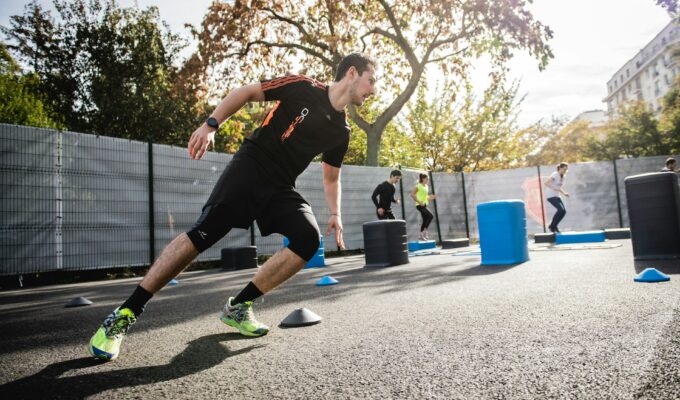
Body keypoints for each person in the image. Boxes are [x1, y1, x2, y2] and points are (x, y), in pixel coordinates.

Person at [88, 53, 377, 361]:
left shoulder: (341, 132)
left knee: (308, 239)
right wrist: (211, 125)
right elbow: (248, 91)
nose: (373, 90)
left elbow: (332, 179)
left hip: (280, 186)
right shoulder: (303, 87)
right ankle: (124, 314)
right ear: (351, 73)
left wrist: (335, 214)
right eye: (371, 81)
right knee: (203, 234)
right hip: (251, 166)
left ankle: (238, 307)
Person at [543, 162, 570, 233]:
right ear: (560, 168)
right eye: (564, 169)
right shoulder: (555, 174)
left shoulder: (562, 176)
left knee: (563, 211)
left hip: (556, 195)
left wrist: (564, 193)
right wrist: (554, 188)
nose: (565, 171)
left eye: (566, 170)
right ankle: (552, 226)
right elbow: (546, 183)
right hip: (550, 195)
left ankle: (554, 226)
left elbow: (558, 187)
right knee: (560, 209)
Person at [410, 173, 436, 241]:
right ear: (422, 179)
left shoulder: (426, 186)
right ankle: (424, 232)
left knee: (425, 219)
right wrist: (419, 202)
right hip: (419, 205)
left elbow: (425, 197)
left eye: (428, 179)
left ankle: (421, 234)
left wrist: (430, 197)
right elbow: (412, 194)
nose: (428, 180)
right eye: (426, 179)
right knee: (430, 216)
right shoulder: (418, 186)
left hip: (425, 205)